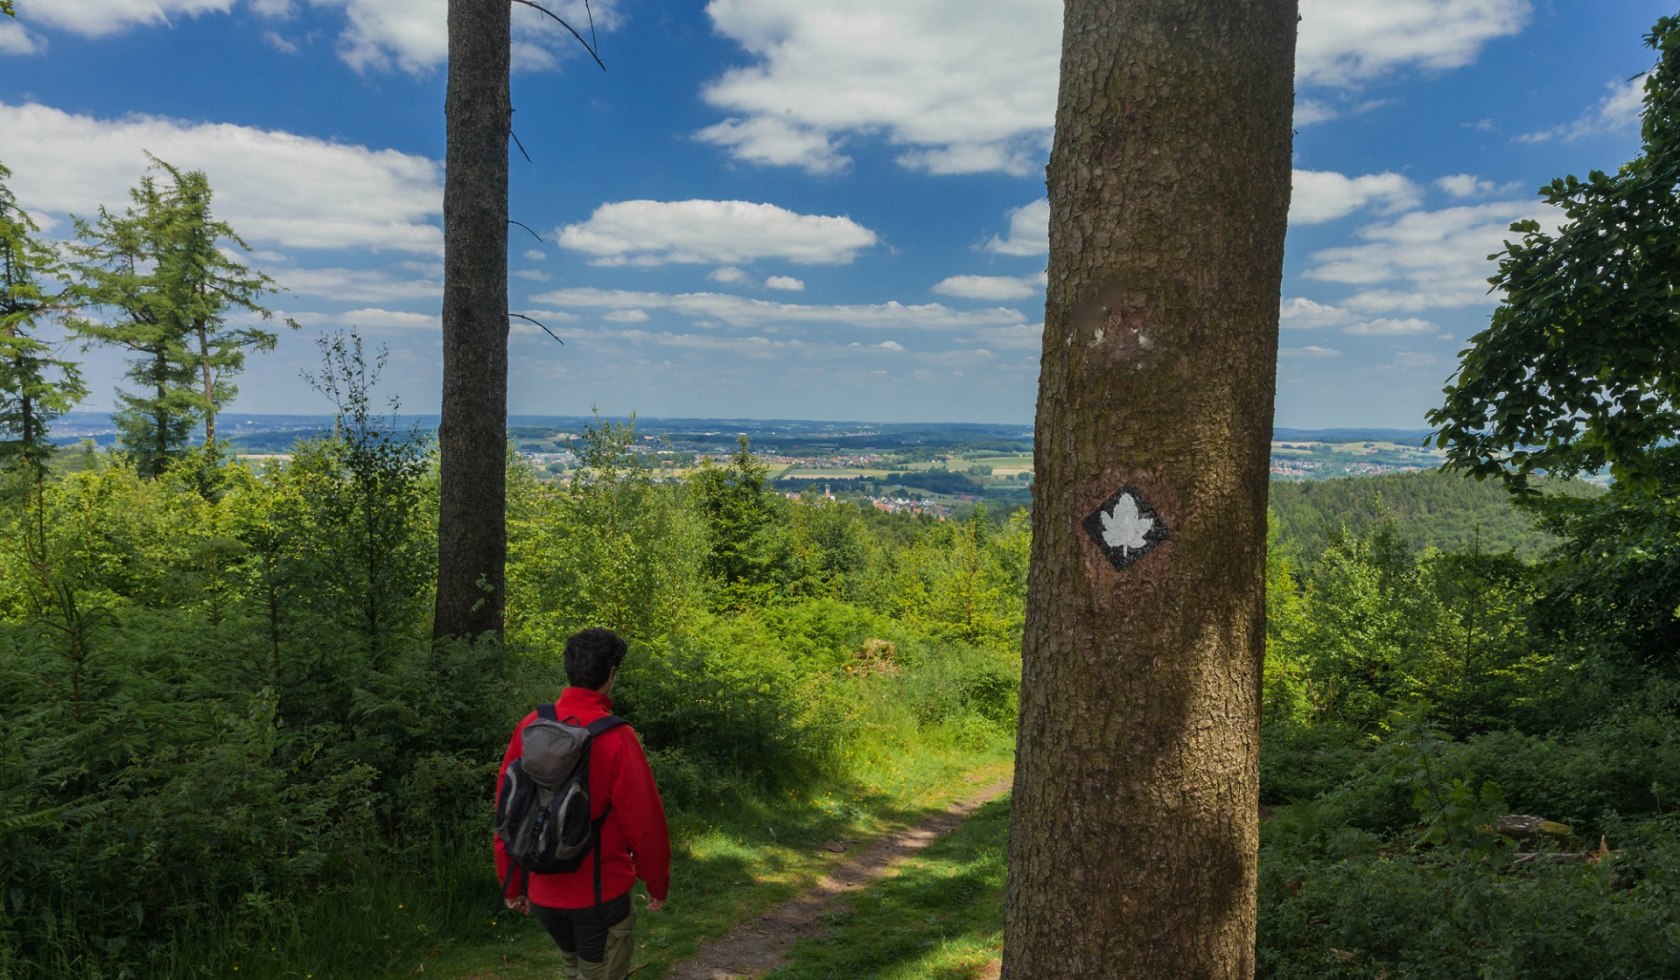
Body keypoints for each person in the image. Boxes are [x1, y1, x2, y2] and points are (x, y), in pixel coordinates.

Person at [494, 627, 671, 979]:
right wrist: (657, 883)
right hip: (600, 895)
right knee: (599, 971)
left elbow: (508, 811)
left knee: (573, 966)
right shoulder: (618, 737)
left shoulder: (532, 725)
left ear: (569, 669)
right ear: (610, 675)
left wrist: (511, 884)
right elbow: (644, 821)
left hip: (543, 890)